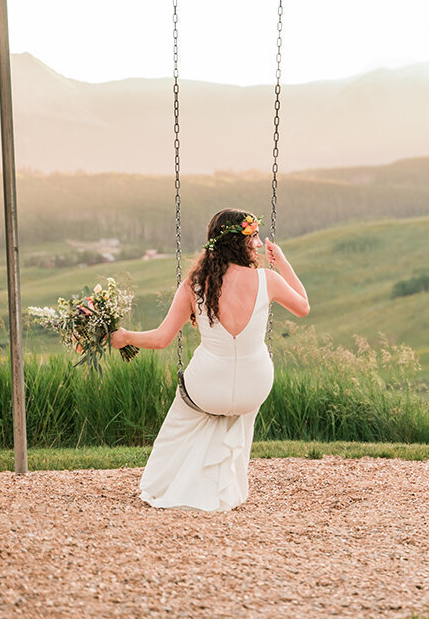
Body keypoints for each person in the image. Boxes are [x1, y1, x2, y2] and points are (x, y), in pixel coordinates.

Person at [110, 208, 309, 511]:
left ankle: (171, 485)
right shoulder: (269, 280)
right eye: (253, 237)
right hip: (253, 390)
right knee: (240, 399)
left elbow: (162, 339)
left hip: (205, 390)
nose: (257, 244)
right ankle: (226, 485)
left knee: (182, 417)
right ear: (238, 242)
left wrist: (125, 337)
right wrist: (281, 261)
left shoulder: (195, 284)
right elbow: (304, 307)